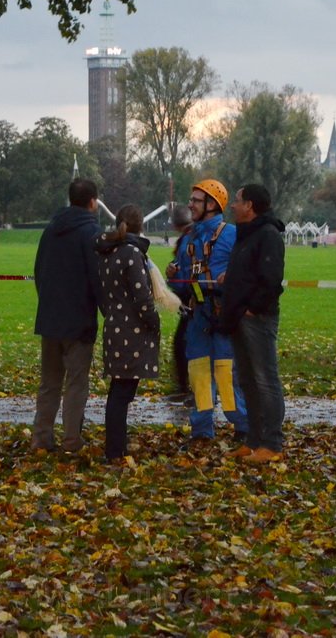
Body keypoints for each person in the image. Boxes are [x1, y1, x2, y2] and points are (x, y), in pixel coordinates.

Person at [167, 179, 249, 448]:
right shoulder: (189, 238)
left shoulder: (231, 236)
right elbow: (182, 277)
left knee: (226, 374)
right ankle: (202, 431)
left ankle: (243, 427)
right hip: (197, 318)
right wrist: (173, 274)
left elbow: (248, 275)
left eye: (195, 200)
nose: (189, 204)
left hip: (223, 318)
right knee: (200, 375)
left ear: (212, 205)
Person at [31, 178, 101, 454]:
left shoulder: (50, 230)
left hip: (49, 319)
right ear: (93, 202)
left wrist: (48, 303)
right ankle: (71, 439)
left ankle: (41, 437)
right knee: (76, 383)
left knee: (49, 383)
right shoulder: (90, 232)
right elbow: (96, 278)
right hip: (78, 320)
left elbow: (39, 271)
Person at [219, 184, 287, 463]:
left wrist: (253, 309)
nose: (232, 205)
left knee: (265, 379)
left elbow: (271, 279)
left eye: (236, 200)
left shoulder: (267, 235)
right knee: (246, 380)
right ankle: (254, 440)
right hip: (238, 316)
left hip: (256, 318)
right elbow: (248, 272)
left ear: (250, 206)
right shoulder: (246, 236)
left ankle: (272, 443)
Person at [94, 204, 161, 461]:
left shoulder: (107, 252)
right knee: (122, 393)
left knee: (119, 391)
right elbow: (141, 295)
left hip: (114, 326)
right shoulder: (131, 253)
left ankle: (116, 446)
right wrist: (153, 320)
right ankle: (115, 450)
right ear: (140, 225)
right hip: (131, 330)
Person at [164, 204, 194, 404]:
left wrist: (172, 278)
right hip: (190, 297)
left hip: (189, 299)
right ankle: (188, 388)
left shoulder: (187, 242)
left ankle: (189, 388)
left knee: (183, 344)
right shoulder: (190, 238)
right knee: (184, 343)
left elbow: (186, 271)